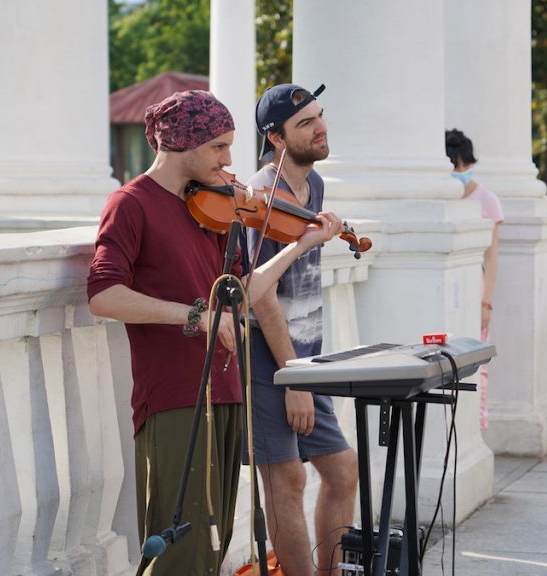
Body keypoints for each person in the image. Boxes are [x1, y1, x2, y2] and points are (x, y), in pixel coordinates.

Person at [87, 90, 342, 576]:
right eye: (219, 147)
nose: (229, 160)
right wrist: (196, 317)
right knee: (178, 549)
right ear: (185, 144)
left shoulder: (214, 205)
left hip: (226, 389)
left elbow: (245, 290)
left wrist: (301, 244)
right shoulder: (131, 203)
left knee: (212, 546)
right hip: (175, 396)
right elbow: (103, 294)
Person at [243, 83, 358, 576]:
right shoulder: (260, 198)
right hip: (270, 363)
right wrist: (292, 381)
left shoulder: (317, 187)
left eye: (320, 115)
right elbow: (260, 294)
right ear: (276, 138)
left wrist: (305, 375)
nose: (321, 127)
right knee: (286, 479)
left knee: (342, 470)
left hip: (308, 360)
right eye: (306, 123)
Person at [445, 128, 504, 429]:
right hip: (446, 291)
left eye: (465, 164)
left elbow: (491, 257)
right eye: (455, 165)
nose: (462, 171)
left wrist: (486, 302)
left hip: (476, 291)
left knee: (477, 366)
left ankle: (477, 428)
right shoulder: (442, 199)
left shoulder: (487, 200)